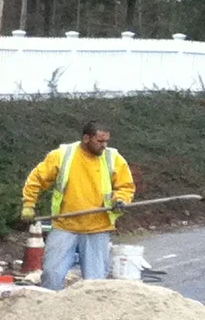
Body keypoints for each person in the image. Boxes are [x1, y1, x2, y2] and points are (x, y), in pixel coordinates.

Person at [21, 121, 134, 290]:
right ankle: (51, 305)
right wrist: (29, 204)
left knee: (95, 284)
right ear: (86, 138)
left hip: (97, 228)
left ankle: (91, 308)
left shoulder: (113, 158)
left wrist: (120, 200)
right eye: (100, 141)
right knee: (51, 274)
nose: (104, 145)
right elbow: (36, 179)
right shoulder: (63, 155)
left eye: (106, 141)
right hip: (65, 226)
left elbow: (125, 186)